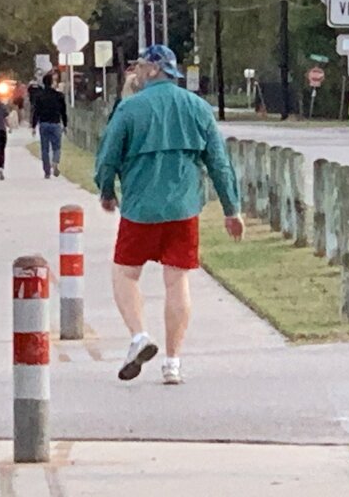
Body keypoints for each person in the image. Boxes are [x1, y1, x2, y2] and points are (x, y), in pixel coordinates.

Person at [94, 45, 244, 386]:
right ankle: (173, 362)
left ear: (152, 71)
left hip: (140, 208)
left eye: (141, 66)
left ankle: (139, 336)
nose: (136, 72)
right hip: (183, 206)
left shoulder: (130, 109)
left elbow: (107, 158)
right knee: (177, 281)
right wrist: (231, 208)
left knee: (125, 273)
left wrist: (106, 191)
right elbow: (219, 164)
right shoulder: (198, 108)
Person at [31, 73, 67, 179]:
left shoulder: (39, 96)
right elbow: (63, 112)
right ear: (52, 82)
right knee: (57, 147)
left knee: (45, 149)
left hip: (44, 124)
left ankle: (47, 171)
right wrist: (65, 125)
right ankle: (55, 162)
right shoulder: (59, 96)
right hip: (55, 123)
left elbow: (36, 112)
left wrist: (33, 126)